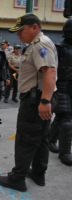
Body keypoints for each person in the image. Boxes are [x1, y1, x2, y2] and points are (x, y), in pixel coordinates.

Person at [0, 14, 57, 192]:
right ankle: (38, 173)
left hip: (35, 100)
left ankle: (17, 178)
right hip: (39, 97)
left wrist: (44, 100)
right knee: (41, 137)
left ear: (34, 27)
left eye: (21, 30)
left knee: (26, 138)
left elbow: (50, 72)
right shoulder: (37, 44)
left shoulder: (40, 45)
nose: (18, 35)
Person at [48, 18, 72, 166]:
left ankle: (51, 139)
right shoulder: (59, 49)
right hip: (61, 87)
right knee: (66, 120)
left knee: (61, 117)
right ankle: (65, 153)